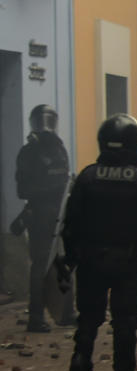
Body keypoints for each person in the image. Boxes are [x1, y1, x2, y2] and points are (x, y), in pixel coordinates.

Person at [60, 114, 137, 371]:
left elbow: (70, 223)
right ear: (135, 144)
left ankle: (80, 357)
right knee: (124, 319)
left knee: (89, 314)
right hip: (127, 260)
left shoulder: (87, 177)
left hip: (90, 259)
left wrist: (71, 258)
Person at [15, 104, 73, 332]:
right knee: (40, 265)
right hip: (39, 213)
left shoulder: (59, 148)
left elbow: (65, 177)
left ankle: (67, 312)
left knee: (64, 263)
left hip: (61, 211)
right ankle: (36, 317)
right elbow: (23, 190)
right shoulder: (28, 152)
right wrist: (51, 188)